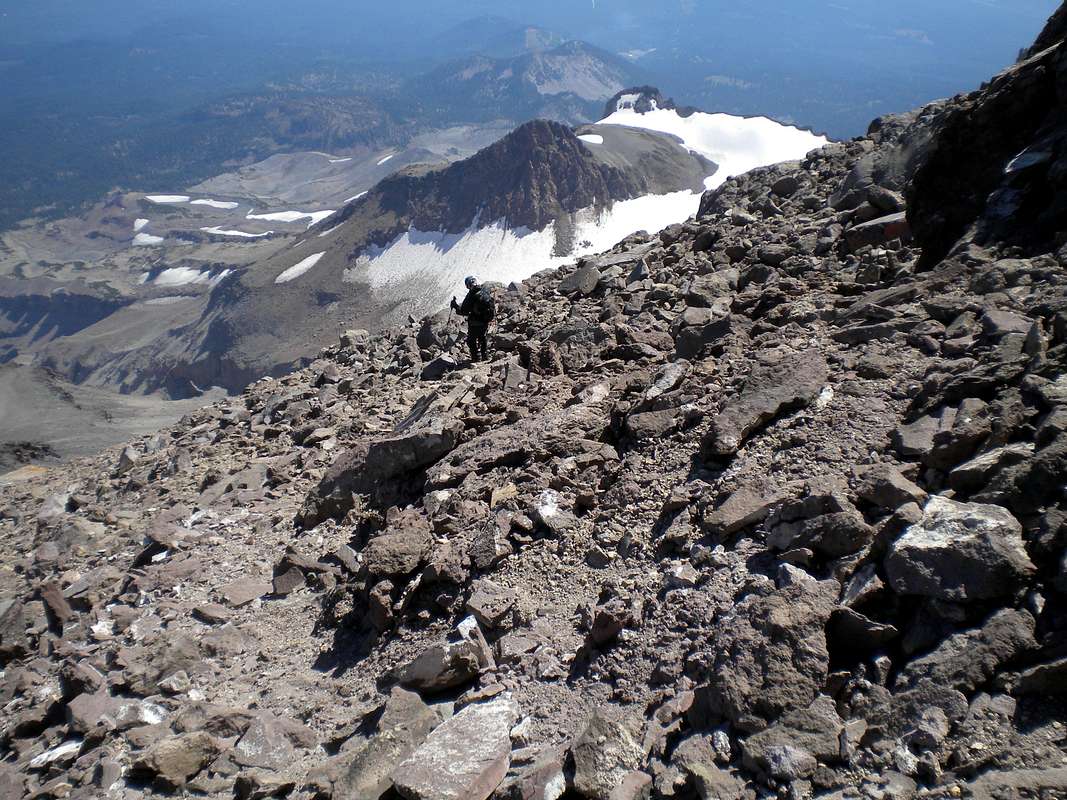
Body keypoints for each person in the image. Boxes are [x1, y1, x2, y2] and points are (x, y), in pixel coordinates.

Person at [451, 275, 495, 363]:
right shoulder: (484, 290)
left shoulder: (471, 295)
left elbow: (463, 311)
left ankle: (475, 358)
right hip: (485, 320)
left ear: (468, 285)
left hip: (475, 322)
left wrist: (455, 305)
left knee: (471, 341)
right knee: (482, 338)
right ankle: (485, 356)